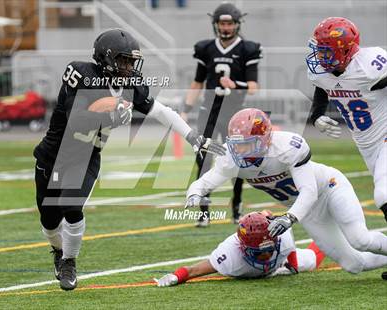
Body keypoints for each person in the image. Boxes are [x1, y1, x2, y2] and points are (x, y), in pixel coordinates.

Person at [33, 28, 225, 291]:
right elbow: (74, 117)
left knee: (71, 206)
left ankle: (69, 260)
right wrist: (110, 116)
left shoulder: (131, 86)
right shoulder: (81, 73)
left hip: (86, 156)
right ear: (105, 58)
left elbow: (162, 112)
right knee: (49, 222)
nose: (129, 67)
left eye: (132, 61)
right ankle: (57, 251)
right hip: (53, 154)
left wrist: (194, 137)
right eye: (124, 60)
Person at [185, 108, 387, 277]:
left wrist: (290, 218)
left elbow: (308, 191)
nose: (242, 151)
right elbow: (204, 182)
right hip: (305, 210)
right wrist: (193, 193)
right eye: (238, 145)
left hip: (328, 188)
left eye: (247, 144)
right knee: (353, 264)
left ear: (265, 139)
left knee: (360, 239)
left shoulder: (286, 147)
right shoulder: (231, 159)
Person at [181, 2, 262, 226]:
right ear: (216, 24)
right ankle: (204, 213)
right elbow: (197, 82)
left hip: (236, 114)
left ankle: (236, 207)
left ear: (237, 24)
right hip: (209, 111)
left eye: (229, 23)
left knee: (237, 162)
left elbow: (254, 88)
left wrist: (234, 83)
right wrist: (186, 109)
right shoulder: (206, 48)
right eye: (222, 23)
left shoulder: (248, 49)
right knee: (203, 159)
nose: (225, 27)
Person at [306, 17, 387, 225]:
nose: (320, 56)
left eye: (326, 51)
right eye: (319, 50)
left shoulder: (369, 66)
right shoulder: (321, 73)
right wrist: (316, 116)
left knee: (383, 194)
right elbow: (323, 86)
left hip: (384, 135)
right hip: (367, 144)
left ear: (345, 50)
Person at [155, 211, 324, 287]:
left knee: (313, 260)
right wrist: (176, 276)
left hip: (280, 264)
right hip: (269, 263)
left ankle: (336, 232)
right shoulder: (229, 256)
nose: (265, 255)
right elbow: (193, 271)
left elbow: (290, 247)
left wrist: (292, 265)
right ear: (242, 247)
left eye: (268, 249)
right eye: (259, 252)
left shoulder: (282, 236)